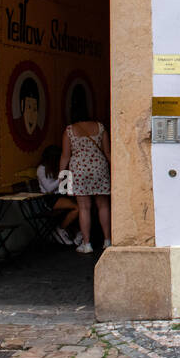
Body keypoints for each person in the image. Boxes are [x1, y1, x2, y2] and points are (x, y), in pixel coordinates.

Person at [58, 96, 111, 254]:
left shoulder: (69, 131)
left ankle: (87, 244)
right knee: (103, 205)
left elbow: (65, 155)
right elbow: (107, 152)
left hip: (79, 171)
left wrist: (62, 176)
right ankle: (107, 241)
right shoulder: (100, 127)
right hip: (99, 169)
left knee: (84, 208)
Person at [36, 144, 79, 245]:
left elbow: (64, 186)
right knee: (77, 208)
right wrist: (61, 177)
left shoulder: (56, 167)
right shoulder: (41, 169)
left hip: (61, 195)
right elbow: (49, 189)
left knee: (85, 205)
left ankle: (78, 233)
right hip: (50, 199)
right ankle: (60, 229)